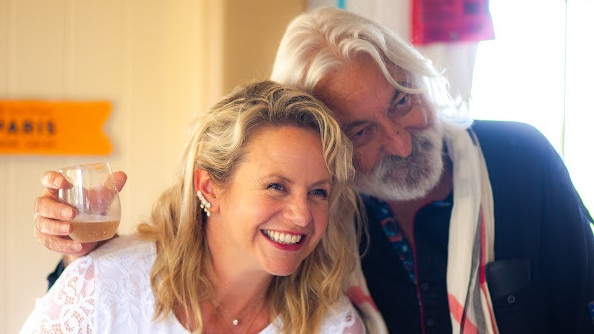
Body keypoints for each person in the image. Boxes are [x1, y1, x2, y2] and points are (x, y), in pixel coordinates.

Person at [33, 6, 594, 334]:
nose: (399, 142)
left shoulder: (521, 158)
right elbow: (117, 292)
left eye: (402, 99)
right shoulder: (319, 224)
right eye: (361, 130)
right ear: (326, 141)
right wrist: (77, 251)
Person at [23, 80, 367, 333]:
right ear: (209, 188)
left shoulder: (333, 323)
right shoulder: (104, 287)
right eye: (276, 187)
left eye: (318, 192)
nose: (303, 215)